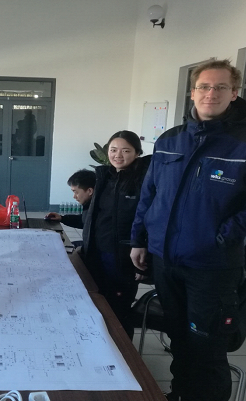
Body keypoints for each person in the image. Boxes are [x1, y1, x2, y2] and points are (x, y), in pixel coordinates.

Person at [130, 59, 246, 401]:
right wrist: (139, 239)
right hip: (165, 262)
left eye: (220, 87)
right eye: (204, 86)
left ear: (234, 93)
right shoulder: (170, 140)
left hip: (212, 266)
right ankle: (180, 394)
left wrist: (226, 233)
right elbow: (149, 195)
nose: (210, 93)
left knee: (206, 350)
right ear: (192, 92)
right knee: (178, 339)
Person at [82, 131, 151, 338]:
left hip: (123, 257)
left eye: (126, 151)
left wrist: (145, 261)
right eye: (113, 150)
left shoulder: (145, 180)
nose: (118, 155)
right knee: (98, 303)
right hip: (98, 253)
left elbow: (149, 221)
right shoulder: (105, 177)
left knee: (119, 310)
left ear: (137, 153)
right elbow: (97, 216)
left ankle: (123, 352)